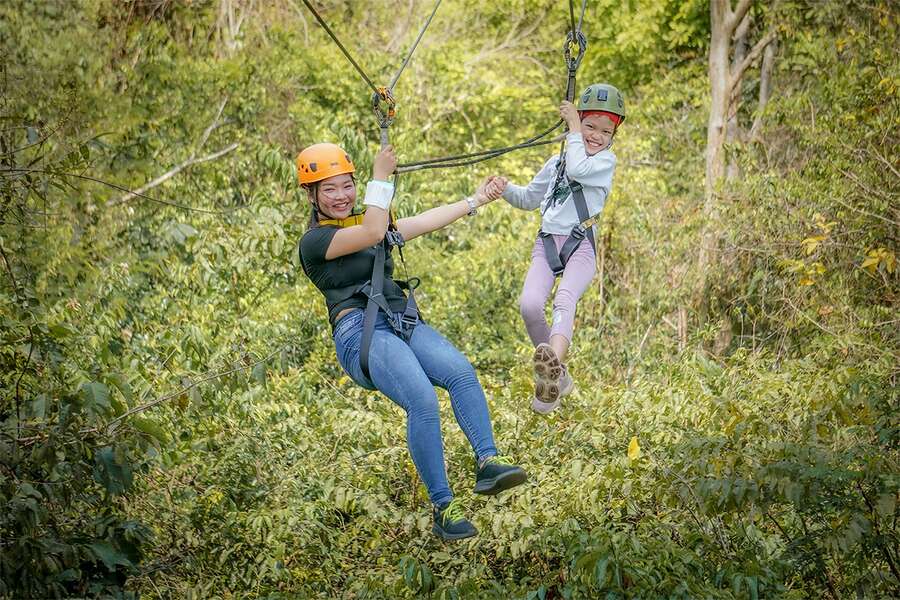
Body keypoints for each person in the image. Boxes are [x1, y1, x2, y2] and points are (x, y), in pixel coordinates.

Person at [296, 142, 527, 541]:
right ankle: (444, 506)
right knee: (422, 399)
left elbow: (421, 222)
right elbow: (373, 228)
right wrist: (380, 177)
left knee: (460, 372)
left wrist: (476, 200)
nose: (340, 196)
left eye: (346, 186)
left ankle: (488, 461)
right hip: (360, 334)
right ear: (312, 195)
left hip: (399, 320)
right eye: (329, 189)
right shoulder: (315, 243)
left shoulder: (367, 226)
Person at [491, 83, 625, 414]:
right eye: (590, 125)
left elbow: (579, 167)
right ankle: (557, 375)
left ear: (612, 137)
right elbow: (528, 199)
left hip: (581, 245)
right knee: (529, 305)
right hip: (548, 243)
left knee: (564, 299)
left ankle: (551, 375)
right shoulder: (555, 164)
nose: (595, 135)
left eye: (604, 131)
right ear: (580, 120)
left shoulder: (604, 163)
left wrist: (574, 129)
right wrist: (504, 189)